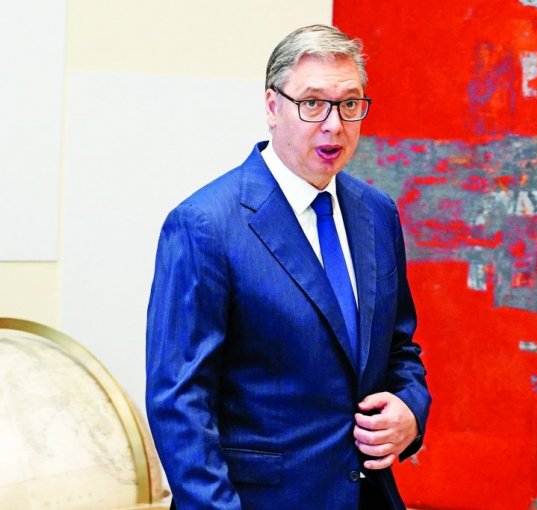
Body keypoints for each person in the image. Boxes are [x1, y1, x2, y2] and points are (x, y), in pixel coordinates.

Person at [145, 24, 431, 510]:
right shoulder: (204, 225)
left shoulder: (377, 213)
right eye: (312, 103)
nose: (334, 125)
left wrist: (411, 410)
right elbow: (180, 403)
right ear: (272, 107)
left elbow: (400, 349)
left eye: (349, 104)